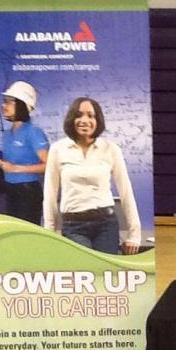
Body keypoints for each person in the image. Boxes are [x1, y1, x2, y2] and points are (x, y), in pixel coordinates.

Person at [43, 97, 141, 255]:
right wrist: (50, 232)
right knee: (85, 264)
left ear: (98, 120)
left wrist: (134, 235)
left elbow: (126, 192)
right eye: (79, 115)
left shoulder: (111, 149)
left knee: (105, 268)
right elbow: (50, 194)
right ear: (71, 119)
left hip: (106, 224)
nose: (84, 120)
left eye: (90, 115)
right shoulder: (58, 149)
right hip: (73, 225)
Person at [0, 81, 49, 224]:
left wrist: (15, 168)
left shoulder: (34, 132)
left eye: (9, 102)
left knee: (26, 233)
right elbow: (10, 161)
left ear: (22, 105)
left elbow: (48, 165)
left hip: (28, 192)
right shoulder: (7, 134)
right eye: (4, 101)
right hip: (10, 189)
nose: (3, 105)